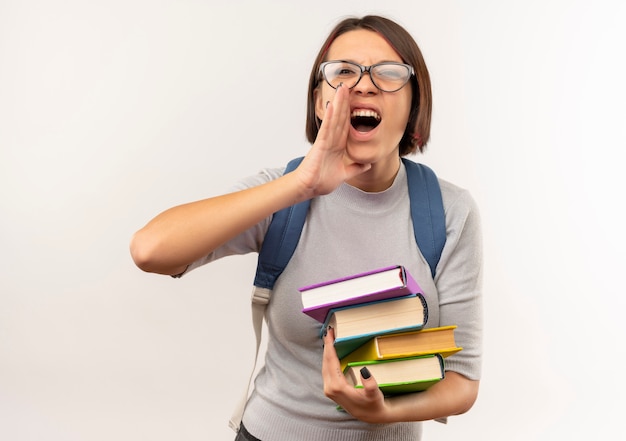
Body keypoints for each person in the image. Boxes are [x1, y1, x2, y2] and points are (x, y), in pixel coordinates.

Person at [130, 14, 482, 441]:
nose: (364, 85)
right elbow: (150, 250)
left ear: (413, 104)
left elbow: (462, 382)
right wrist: (301, 185)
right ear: (320, 103)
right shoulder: (282, 194)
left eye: (389, 74)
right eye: (344, 72)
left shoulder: (450, 211)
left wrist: (382, 412)